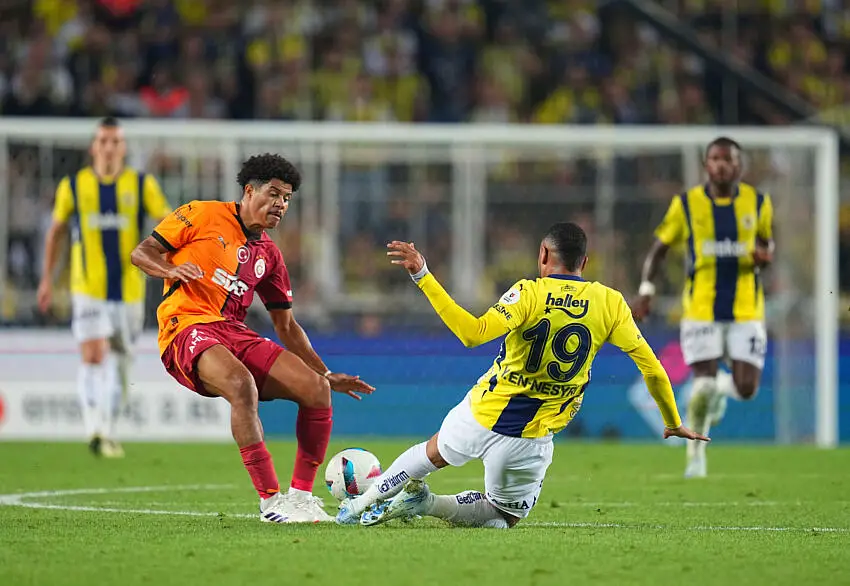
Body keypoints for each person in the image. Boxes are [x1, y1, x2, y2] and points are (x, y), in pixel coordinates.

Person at [336, 223, 708, 528]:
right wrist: (673, 421)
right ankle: (426, 504)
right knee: (503, 516)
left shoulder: (528, 292)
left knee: (431, 453)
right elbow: (653, 369)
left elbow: (472, 333)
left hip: (483, 412)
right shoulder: (609, 302)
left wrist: (423, 275)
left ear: (543, 254)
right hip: (530, 438)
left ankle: (360, 504)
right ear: (585, 261)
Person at [130, 153, 375, 523]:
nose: (281, 204)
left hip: (232, 331)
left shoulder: (270, 256)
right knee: (241, 384)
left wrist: (325, 374)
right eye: (274, 194)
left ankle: (301, 498)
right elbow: (142, 252)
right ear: (249, 191)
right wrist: (170, 270)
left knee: (316, 390)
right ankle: (271, 501)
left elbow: (287, 326)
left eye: (287, 198)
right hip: (186, 326)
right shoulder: (200, 213)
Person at [632, 137, 774, 479]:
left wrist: (764, 257)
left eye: (728, 159)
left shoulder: (758, 202)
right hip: (700, 310)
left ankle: (724, 388)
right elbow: (658, 250)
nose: (722, 165)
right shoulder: (686, 204)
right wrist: (647, 290)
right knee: (703, 384)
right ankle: (695, 455)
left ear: (739, 165)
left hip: (746, 310)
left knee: (746, 390)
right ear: (706, 165)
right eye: (715, 159)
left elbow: (767, 244)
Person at [38, 116, 172, 458]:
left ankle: (109, 429)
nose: (109, 147)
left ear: (123, 148)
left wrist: (170, 265)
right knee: (93, 355)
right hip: (87, 288)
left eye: (115, 142)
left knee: (122, 362)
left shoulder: (141, 185)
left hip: (129, 291)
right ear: (93, 147)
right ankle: (93, 429)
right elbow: (56, 232)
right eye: (103, 141)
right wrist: (47, 280)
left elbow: (169, 224)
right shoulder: (73, 186)